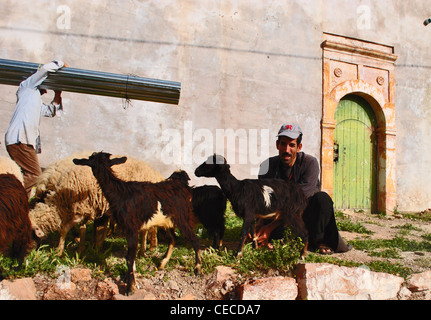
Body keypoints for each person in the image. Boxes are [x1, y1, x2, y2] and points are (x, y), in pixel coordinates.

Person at [257, 123, 351, 254]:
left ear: (299, 147)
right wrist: (259, 225)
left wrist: (270, 227)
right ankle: (279, 239)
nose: (286, 150)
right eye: (283, 144)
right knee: (261, 232)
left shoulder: (309, 163)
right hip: (279, 216)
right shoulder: (266, 166)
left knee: (322, 199)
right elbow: (264, 201)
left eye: (292, 145)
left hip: (306, 215)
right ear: (277, 145)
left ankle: (319, 241)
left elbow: (297, 203)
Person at [5, 60, 67, 197]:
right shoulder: (27, 87)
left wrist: (58, 94)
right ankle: (9, 198)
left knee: (27, 175)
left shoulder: (35, 99)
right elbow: (45, 69)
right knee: (34, 175)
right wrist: (61, 63)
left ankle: (19, 208)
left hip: (23, 140)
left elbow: (50, 111)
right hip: (19, 139)